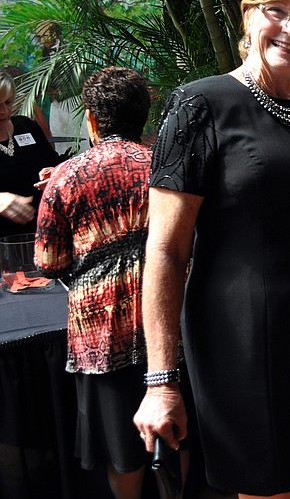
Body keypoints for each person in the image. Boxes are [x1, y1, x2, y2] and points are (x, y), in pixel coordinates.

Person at [133, 0, 290, 498]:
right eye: (277, 10)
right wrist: (161, 380)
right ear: (248, 13)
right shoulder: (200, 106)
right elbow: (165, 252)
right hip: (240, 338)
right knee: (261, 485)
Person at [34, 67, 169, 499]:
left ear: (91, 119)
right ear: (144, 116)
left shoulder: (67, 177)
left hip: (101, 334)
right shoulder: (166, 165)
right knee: (175, 433)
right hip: (167, 325)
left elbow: (47, 260)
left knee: (122, 451)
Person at [0, 69, 61, 238]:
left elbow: (56, 164)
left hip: (41, 238)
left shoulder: (26, 127)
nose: (4, 111)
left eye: (7, 102)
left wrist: (54, 173)